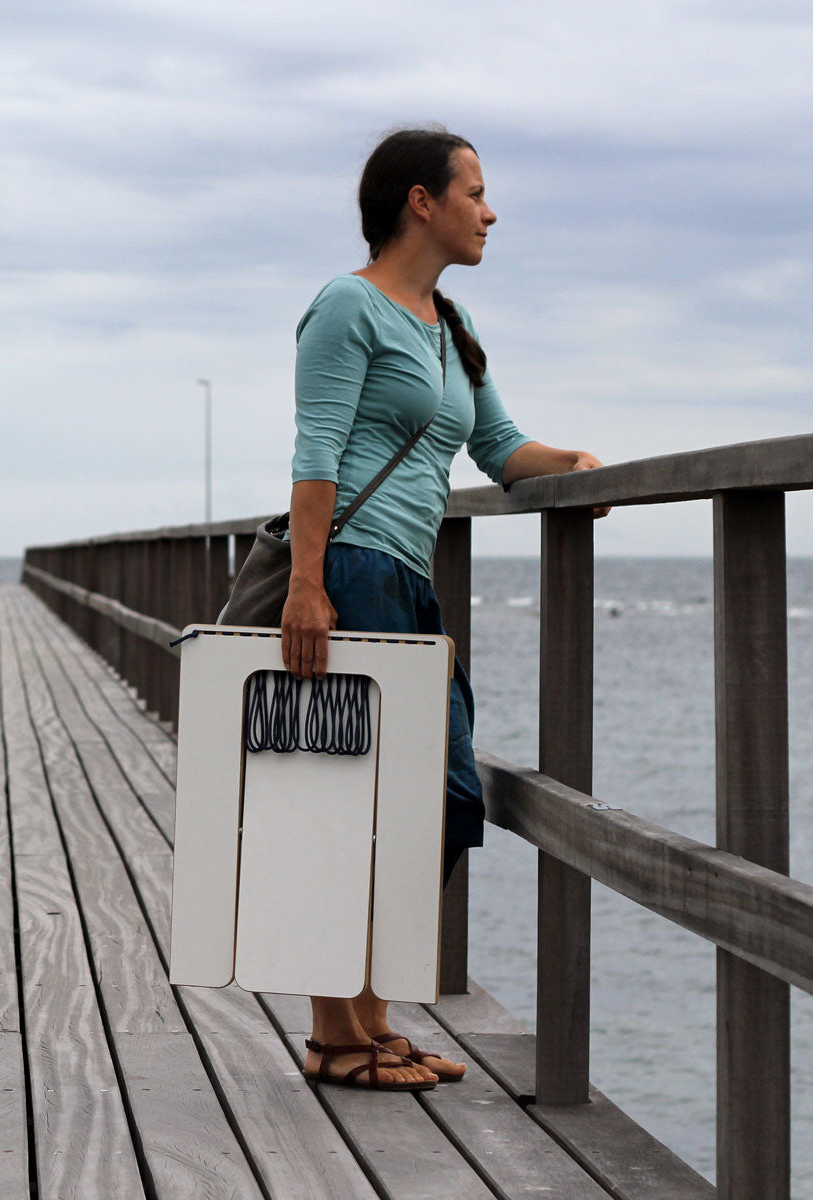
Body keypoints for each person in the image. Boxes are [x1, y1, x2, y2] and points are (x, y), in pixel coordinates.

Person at [283, 127, 605, 1091]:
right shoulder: (349, 307)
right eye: (475, 192)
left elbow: (501, 449)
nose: (490, 211)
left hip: (412, 580)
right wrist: (308, 585)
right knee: (368, 798)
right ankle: (338, 1032)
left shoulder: (449, 324)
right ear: (420, 202)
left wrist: (582, 465)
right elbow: (316, 451)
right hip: (354, 570)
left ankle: (370, 1019)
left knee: (440, 799)